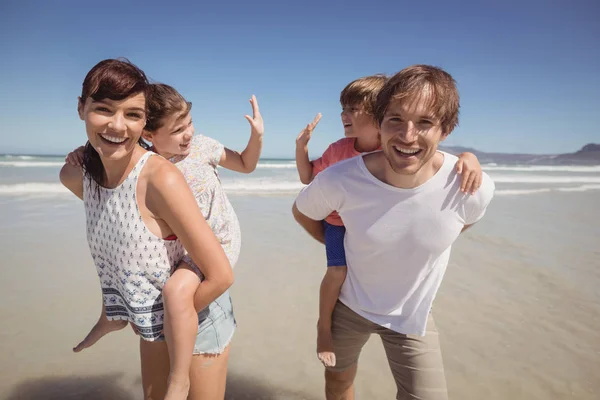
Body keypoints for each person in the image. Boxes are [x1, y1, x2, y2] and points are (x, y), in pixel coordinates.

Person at [292, 64, 495, 399]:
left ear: (445, 129)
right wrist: (337, 246)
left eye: (425, 122)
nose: (408, 135)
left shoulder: (469, 187)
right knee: (338, 382)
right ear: (381, 122)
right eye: (396, 119)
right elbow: (303, 211)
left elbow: (461, 224)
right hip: (349, 307)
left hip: (412, 315)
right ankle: (323, 328)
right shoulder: (340, 177)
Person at [65, 82, 263, 399]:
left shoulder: (203, 147)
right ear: (149, 135)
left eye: (189, 124)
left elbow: (246, 164)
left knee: (176, 293)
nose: (188, 134)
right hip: (173, 272)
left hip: (216, 245)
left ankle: (178, 377)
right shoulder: (147, 165)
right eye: (178, 129)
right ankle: (114, 313)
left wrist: (257, 137)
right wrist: (85, 152)